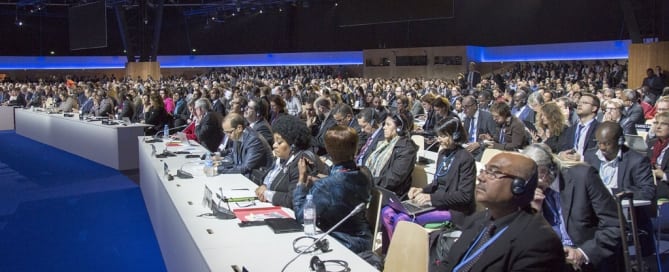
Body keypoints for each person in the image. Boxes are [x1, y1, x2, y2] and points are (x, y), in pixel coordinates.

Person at [443, 152, 564, 272]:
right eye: (484, 171)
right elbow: (449, 263)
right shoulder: (479, 219)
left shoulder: (539, 243)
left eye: (494, 173)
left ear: (518, 186)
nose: (480, 177)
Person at [523, 144, 621, 271]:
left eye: (530, 178)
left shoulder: (583, 177)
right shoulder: (530, 191)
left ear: (544, 172)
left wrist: (582, 253)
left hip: (587, 258)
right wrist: (536, 211)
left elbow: (615, 225)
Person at [381, 117, 476, 246]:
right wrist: (422, 190)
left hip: (453, 211)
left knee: (402, 219)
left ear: (455, 135)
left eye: (443, 136)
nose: (439, 139)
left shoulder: (466, 159)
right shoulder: (443, 154)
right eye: (439, 136)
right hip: (435, 203)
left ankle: (402, 256)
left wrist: (430, 197)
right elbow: (437, 183)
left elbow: (465, 196)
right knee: (387, 212)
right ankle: (389, 253)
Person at [293, 125, 372, 253]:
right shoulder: (365, 175)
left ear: (328, 151)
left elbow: (302, 216)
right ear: (356, 148)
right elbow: (344, 180)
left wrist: (301, 180)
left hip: (343, 244)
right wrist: (318, 176)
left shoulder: (325, 187)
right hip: (364, 240)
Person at [584, 121, 656, 257]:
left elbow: (648, 191)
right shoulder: (591, 156)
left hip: (627, 216)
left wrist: (612, 192)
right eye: (599, 143)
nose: (602, 147)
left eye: (606, 143)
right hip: (596, 214)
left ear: (620, 141)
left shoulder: (637, 160)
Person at [254, 115, 327, 209]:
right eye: (274, 141)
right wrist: (265, 185)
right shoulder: (282, 158)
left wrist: (267, 194)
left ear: (293, 145)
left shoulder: (301, 163)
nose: (274, 145)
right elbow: (270, 180)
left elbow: (293, 198)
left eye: (279, 142)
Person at [364, 114, 418, 197]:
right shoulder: (382, 143)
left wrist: (367, 182)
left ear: (399, 128)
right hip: (373, 187)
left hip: (389, 193)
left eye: (388, 125)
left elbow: (393, 178)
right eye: (384, 124)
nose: (384, 127)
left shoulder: (407, 149)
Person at [219, 113, 273, 178]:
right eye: (225, 132)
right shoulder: (237, 135)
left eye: (229, 132)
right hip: (244, 175)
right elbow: (233, 156)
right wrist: (219, 163)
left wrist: (220, 170)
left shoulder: (253, 140)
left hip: (257, 179)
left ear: (239, 128)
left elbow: (246, 167)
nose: (227, 135)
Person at [558, 93, 600, 161]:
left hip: (588, 167)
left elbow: (600, 153)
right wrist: (561, 154)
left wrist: (582, 158)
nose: (579, 104)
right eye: (579, 102)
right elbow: (562, 147)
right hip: (568, 166)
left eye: (585, 102)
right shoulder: (570, 129)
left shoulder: (599, 129)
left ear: (594, 108)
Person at [461, 95, 497, 160]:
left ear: (474, 106)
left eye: (466, 107)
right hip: (468, 148)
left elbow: (495, 138)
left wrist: (480, 143)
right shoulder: (467, 118)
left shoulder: (487, 117)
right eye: (463, 107)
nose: (464, 110)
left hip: (481, 149)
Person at [649, 112, 669, 199]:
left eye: (663, 124)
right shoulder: (651, 144)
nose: (658, 127)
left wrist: (663, 175)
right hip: (650, 185)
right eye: (656, 123)